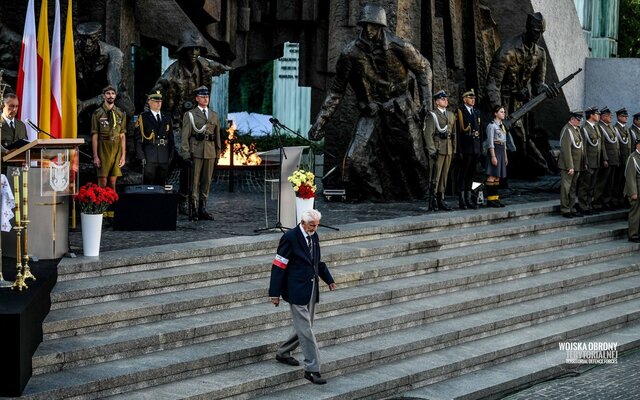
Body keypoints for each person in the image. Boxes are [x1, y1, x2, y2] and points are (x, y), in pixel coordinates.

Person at [307, 3, 432, 202]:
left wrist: (427, 102)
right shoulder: (350, 54)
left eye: (372, 26)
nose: (367, 30)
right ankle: (378, 195)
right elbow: (336, 91)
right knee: (356, 159)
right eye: (364, 25)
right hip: (372, 111)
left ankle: (426, 194)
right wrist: (320, 122)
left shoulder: (399, 46)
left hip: (401, 107)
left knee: (416, 155)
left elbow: (423, 69)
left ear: (381, 27)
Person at [154, 30, 230, 212]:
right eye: (191, 49)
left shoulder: (204, 66)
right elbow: (155, 94)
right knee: (175, 159)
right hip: (177, 123)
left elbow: (220, 67)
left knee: (191, 162)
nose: (195, 53)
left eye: (198, 49)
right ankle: (158, 194)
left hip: (197, 122)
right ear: (182, 51)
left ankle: (184, 198)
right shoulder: (171, 74)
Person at [485, 12, 559, 176]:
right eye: (535, 31)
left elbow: (538, 85)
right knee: (505, 144)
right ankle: (498, 179)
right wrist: (498, 112)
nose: (538, 36)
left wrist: (548, 90)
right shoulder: (507, 51)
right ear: (527, 28)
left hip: (521, 105)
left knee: (523, 143)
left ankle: (520, 173)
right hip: (502, 102)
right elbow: (492, 84)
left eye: (541, 32)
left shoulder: (540, 54)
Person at [269, 209, 337, 385]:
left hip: (311, 287)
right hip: (295, 290)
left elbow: (317, 262)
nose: (314, 228)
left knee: (306, 326)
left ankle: (283, 352)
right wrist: (274, 293)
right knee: (306, 330)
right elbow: (279, 265)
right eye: (312, 225)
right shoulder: (290, 238)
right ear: (303, 222)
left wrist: (328, 279)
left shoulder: (314, 236)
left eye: (316, 225)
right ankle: (312, 369)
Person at [180, 86, 221, 221]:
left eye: (207, 97)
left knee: (206, 182)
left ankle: (202, 208)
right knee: (194, 182)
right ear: (197, 98)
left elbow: (217, 136)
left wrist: (218, 152)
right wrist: (185, 154)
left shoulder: (214, 115)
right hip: (196, 152)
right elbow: (185, 136)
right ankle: (194, 207)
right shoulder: (190, 115)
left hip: (210, 152)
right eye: (203, 97)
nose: (205, 99)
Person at [424, 90, 456, 211]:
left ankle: (441, 198)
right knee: (435, 176)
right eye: (443, 99)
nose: (446, 101)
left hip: (448, 149)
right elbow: (428, 135)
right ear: (437, 102)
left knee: (444, 176)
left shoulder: (451, 115)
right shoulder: (432, 115)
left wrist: (454, 149)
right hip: (437, 149)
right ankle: (433, 200)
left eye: (446, 99)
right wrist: (432, 151)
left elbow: (454, 134)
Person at [90, 86, 126, 189]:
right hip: (103, 147)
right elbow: (95, 135)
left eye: (113, 94)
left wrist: (123, 155)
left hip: (116, 147)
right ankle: (101, 204)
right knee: (103, 179)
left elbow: (122, 135)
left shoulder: (120, 113)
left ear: (115, 96)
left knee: (113, 180)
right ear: (103, 96)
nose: (111, 96)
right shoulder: (97, 113)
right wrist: (95, 156)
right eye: (108, 93)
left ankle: (113, 203)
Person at [134, 91, 174, 185]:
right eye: (156, 101)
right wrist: (141, 156)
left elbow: (171, 138)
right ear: (149, 102)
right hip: (149, 155)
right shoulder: (143, 117)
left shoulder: (166, 117)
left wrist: (171, 154)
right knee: (149, 185)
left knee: (162, 185)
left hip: (164, 154)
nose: (159, 103)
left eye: (160, 101)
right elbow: (138, 139)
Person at [455, 89, 482, 209]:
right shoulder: (460, 112)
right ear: (465, 99)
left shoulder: (476, 112)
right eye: (471, 98)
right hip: (465, 147)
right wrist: (459, 150)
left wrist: (480, 148)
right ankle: (461, 199)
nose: (473, 100)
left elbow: (479, 132)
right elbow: (458, 133)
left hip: (475, 147)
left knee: (471, 174)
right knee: (463, 174)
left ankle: (469, 197)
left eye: (474, 98)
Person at [558, 110, 585, 218]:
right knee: (566, 188)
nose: (579, 122)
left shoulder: (576, 129)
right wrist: (570, 166)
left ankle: (572, 207)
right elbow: (566, 150)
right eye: (578, 120)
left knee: (573, 188)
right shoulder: (567, 130)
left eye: (580, 120)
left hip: (576, 165)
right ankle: (565, 209)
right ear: (572, 119)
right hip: (569, 166)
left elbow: (580, 148)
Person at [576, 106, 602, 215]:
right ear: (591, 115)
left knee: (592, 185)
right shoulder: (585, 128)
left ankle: (589, 205)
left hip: (596, 161)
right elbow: (584, 147)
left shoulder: (595, 127)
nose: (599, 116)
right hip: (589, 162)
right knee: (584, 185)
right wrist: (585, 162)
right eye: (597, 114)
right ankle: (583, 206)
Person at [593, 107, 619, 211]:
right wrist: (605, 158)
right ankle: (597, 202)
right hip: (607, 159)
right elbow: (602, 144)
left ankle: (606, 202)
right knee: (601, 183)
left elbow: (616, 144)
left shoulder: (610, 127)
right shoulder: (600, 127)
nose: (611, 117)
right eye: (609, 116)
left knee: (610, 183)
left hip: (614, 159)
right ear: (603, 117)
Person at [485, 105, 508, 207]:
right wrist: (493, 156)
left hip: (501, 151)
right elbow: (490, 142)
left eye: (504, 112)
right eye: (501, 112)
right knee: (492, 176)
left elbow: (504, 142)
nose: (504, 113)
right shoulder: (491, 126)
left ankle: (495, 198)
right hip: (495, 151)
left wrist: (505, 156)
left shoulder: (502, 126)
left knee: (497, 176)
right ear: (495, 113)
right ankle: (490, 199)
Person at [613, 108, 632, 208]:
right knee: (617, 181)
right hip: (620, 160)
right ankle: (615, 201)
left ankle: (621, 200)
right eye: (624, 116)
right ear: (619, 117)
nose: (626, 118)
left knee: (624, 182)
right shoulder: (615, 128)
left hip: (627, 160)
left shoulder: (626, 129)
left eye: (626, 116)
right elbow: (617, 146)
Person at [624, 137, 640, 242]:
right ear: (638, 145)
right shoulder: (633, 158)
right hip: (636, 191)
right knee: (635, 213)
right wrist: (633, 192)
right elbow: (630, 176)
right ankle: (633, 234)